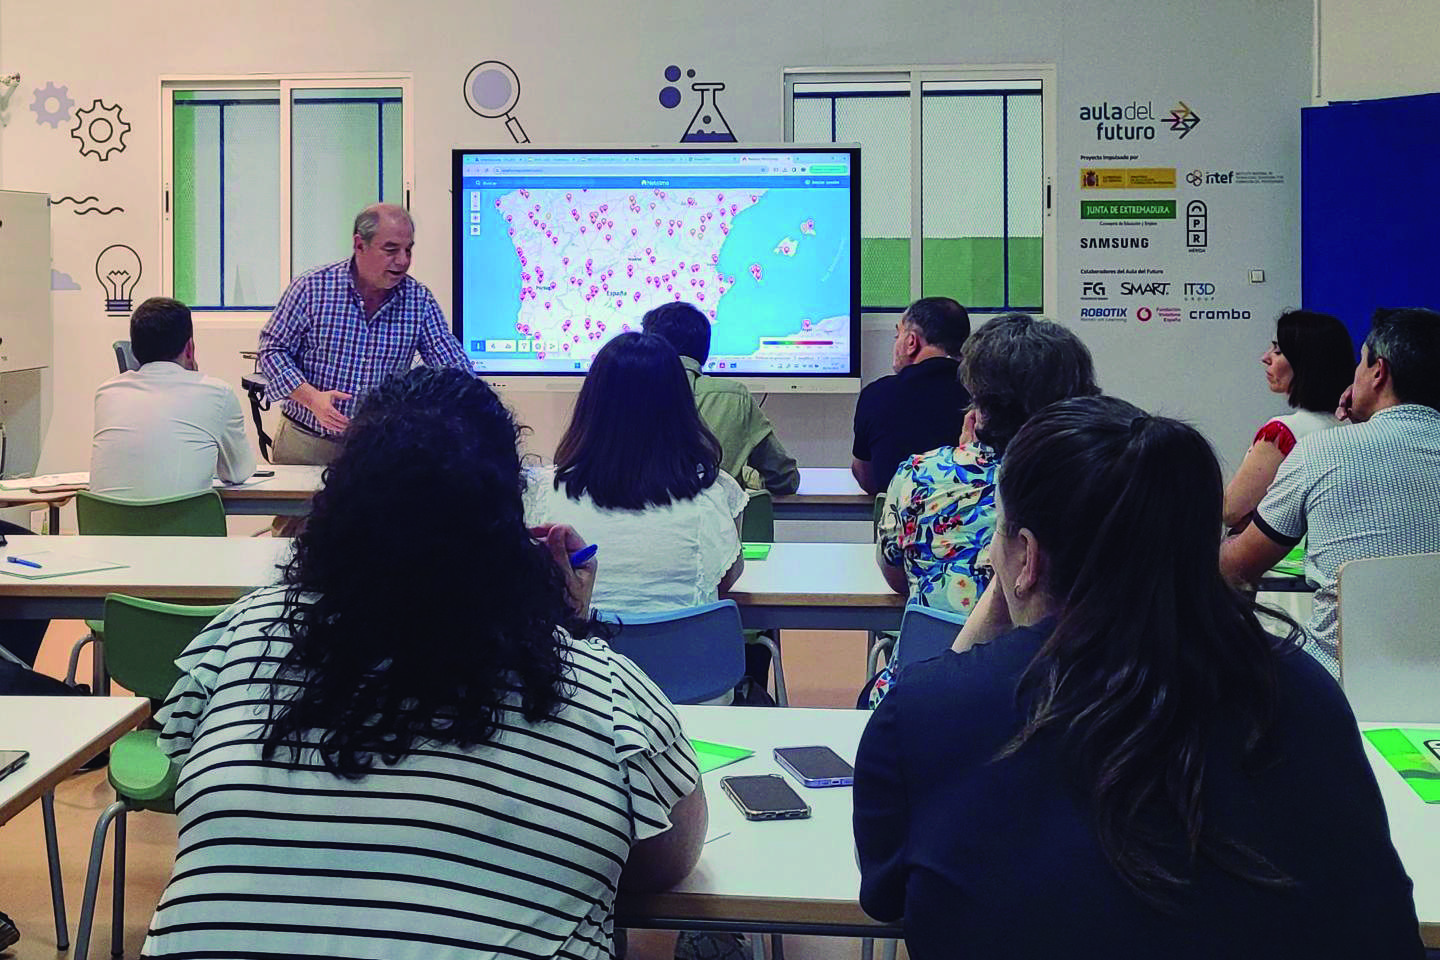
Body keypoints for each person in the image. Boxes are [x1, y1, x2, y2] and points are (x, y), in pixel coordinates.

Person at [143, 368, 705, 959]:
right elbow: (664, 859)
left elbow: (201, 796)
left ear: (337, 506)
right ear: (509, 524)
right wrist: (558, 629)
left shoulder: (242, 634)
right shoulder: (601, 691)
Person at [854, 395, 1425, 960]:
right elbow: (1383, 923)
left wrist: (1001, 603)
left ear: (1026, 556)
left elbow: (887, 895)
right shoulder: (1298, 690)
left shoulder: (929, 712)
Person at [869, 313, 1098, 704]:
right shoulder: (1095, 479)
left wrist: (962, 457)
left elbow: (896, 575)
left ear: (979, 402)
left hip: (926, 686)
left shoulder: (921, 474)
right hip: (1064, 695)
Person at [1221, 307, 1440, 675]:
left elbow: (1236, 566)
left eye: (1361, 362)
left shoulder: (1320, 452)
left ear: (1378, 372)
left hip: (1339, 682)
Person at [525, 332, 747, 613]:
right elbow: (724, 581)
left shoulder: (541, 491)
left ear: (591, 406)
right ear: (681, 407)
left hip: (576, 655)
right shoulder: (716, 490)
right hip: (682, 656)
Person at [257, 203, 472, 467]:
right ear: (360, 245)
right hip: (306, 441)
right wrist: (312, 398)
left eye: (408, 250)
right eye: (391, 250)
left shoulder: (419, 301)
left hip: (377, 450)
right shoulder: (312, 288)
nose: (403, 260)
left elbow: (454, 369)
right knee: (297, 509)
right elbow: (272, 350)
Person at [90, 297, 255, 498]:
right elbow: (239, 473)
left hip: (106, 527)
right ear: (189, 348)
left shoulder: (106, 393)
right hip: (184, 527)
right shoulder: (218, 393)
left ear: (133, 350)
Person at [642, 301, 800, 496]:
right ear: (705, 351)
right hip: (716, 524)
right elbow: (785, 478)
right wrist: (747, 478)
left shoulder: (618, 394)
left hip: (629, 523)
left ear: (647, 347)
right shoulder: (734, 397)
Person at [1222, 309, 1354, 529]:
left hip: (1284, 558)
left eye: (1279, 350)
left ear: (1307, 362)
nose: (1265, 358)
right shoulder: (1362, 427)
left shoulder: (1282, 432)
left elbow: (1231, 511)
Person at [851, 297, 972, 494]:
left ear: (911, 342)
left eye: (897, 335)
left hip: (899, 522)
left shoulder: (876, 395)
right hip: (971, 523)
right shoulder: (983, 397)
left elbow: (867, 478)